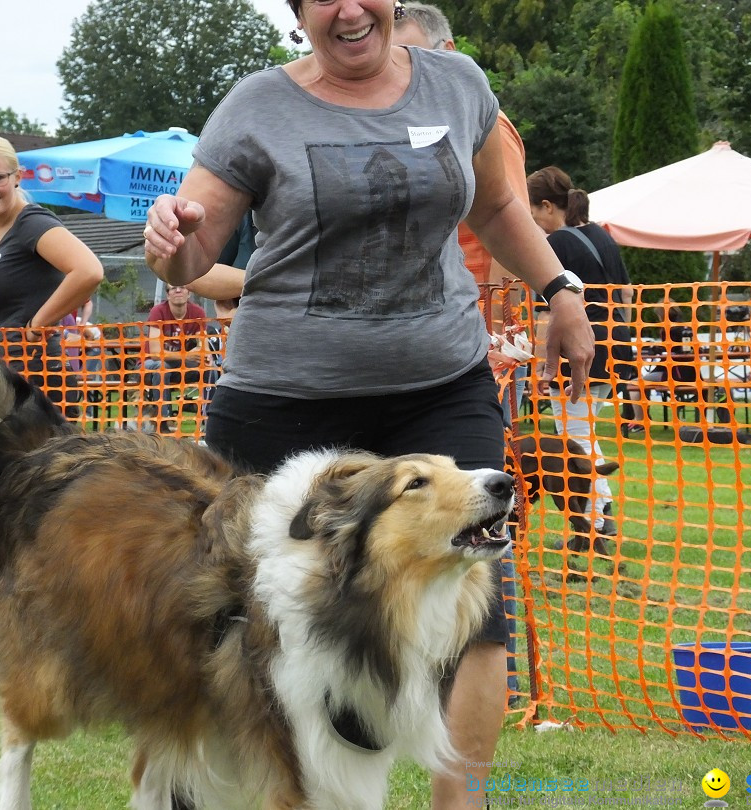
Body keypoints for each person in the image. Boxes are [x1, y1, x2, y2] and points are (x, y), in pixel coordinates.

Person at [142, 1, 594, 806]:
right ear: (299, 11)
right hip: (282, 402)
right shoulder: (255, 105)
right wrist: (174, 247)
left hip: (441, 385)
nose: (349, 9)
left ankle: (460, 801)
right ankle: (196, 789)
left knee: (480, 589)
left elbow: (497, 208)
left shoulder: (457, 85)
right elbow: (196, 250)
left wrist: (558, 285)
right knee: (235, 616)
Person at [392, 0, 529, 703]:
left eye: (415, 53)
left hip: (471, 341)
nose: (405, 70)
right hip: (418, 336)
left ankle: (482, 659)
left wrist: (506, 322)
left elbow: (505, 218)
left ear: (447, 49)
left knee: (481, 516)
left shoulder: (481, 117)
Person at [0, 134, 103, 411]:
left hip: (37, 381)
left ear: (18, 177)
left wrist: (39, 324)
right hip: (5, 380)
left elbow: (89, 271)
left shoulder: (31, 223)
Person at [527, 166, 633, 533]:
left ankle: (599, 514)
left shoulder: (555, 244)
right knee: (583, 430)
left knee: (575, 436)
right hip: (615, 343)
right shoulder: (601, 237)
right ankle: (601, 512)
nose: (533, 222)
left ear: (546, 206)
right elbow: (627, 294)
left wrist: (543, 367)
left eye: (533, 213)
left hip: (577, 347)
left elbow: (548, 312)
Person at [142, 285, 214, 434]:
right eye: (173, 288)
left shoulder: (198, 313)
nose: (178, 291)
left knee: (210, 369)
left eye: (182, 287)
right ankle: (163, 424)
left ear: (189, 293)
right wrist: (187, 355)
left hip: (180, 366)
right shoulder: (158, 312)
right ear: (167, 295)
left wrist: (205, 356)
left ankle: (209, 421)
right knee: (162, 367)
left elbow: (204, 347)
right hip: (150, 365)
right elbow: (155, 353)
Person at [625, 292, 697, 432]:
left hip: (673, 375)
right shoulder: (687, 327)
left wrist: (655, 348)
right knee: (642, 382)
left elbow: (669, 352)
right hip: (692, 374)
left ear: (662, 315)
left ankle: (640, 421)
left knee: (633, 384)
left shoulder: (668, 329)